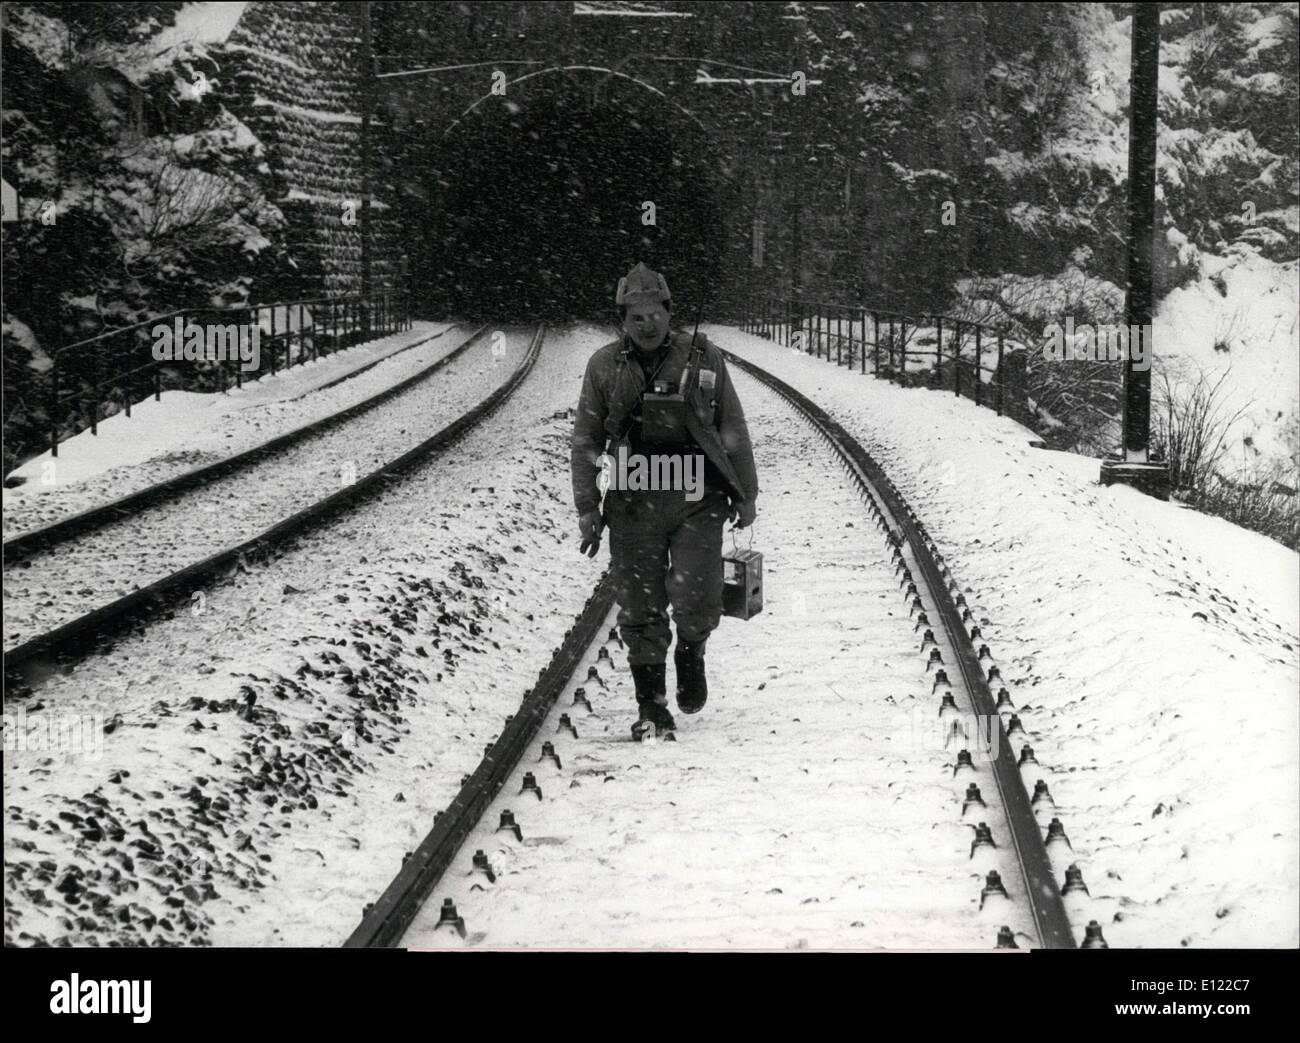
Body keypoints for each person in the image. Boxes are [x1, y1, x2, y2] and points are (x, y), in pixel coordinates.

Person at [571, 262, 759, 739]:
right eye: (636, 317)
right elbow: (586, 441)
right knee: (639, 605)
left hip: (697, 494)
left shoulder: (703, 357)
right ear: (622, 321)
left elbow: (732, 427)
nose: (647, 325)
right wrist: (587, 507)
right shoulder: (604, 366)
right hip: (634, 500)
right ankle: (651, 705)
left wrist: (746, 493)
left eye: (655, 314)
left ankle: (691, 650)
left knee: (699, 595)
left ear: (669, 312)